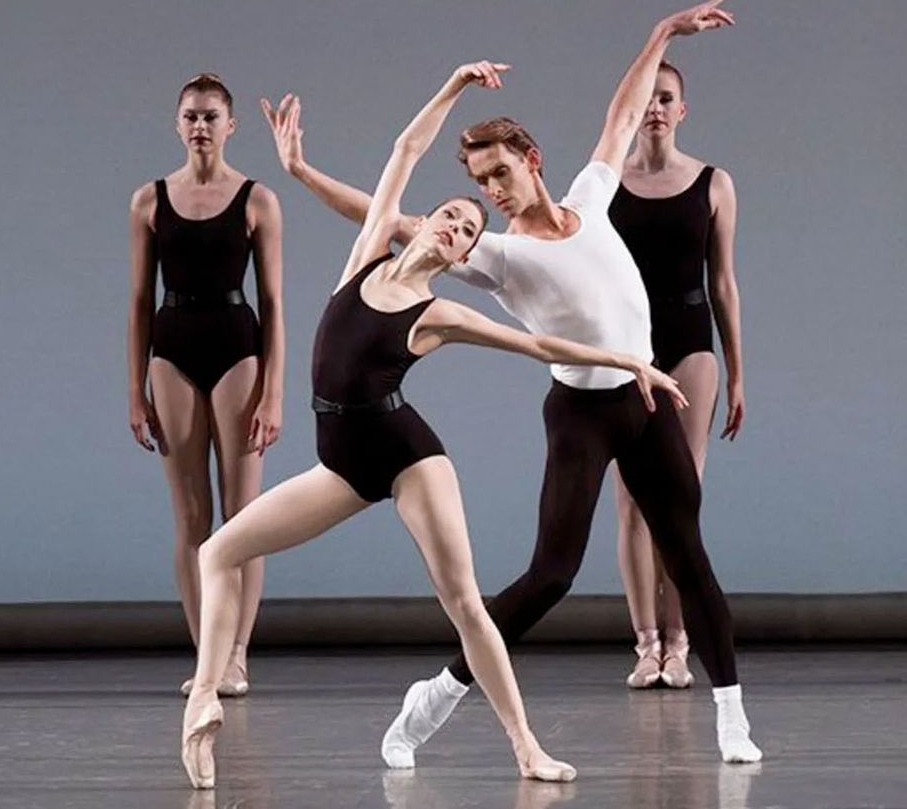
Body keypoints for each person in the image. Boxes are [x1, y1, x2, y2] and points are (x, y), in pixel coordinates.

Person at [264, 0, 762, 766]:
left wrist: (663, 30)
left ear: (531, 160)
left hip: (646, 394)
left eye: (499, 172)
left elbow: (621, 115)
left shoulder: (591, 198)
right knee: (551, 574)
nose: (491, 191)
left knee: (688, 553)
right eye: (479, 180)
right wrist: (301, 172)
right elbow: (384, 218)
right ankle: (439, 691)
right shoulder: (493, 254)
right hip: (581, 412)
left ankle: (732, 715)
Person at [181, 59, 687, 790]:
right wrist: (452, 86)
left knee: (466, 604)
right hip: (341, 465)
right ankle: (203, 703)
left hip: (410, 458)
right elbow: (406, 149)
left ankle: (527, 748)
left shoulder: (438, 311)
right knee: (218, 552)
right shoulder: (366, 257)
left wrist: (627, 359)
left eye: (468, 232)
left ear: (460, 256)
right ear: (424, 222)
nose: (456, 226)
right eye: (451, 214)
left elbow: (539, 345)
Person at [127, 74, 285, 696]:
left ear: (230, 125)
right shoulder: (149, 201)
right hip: (172, 350)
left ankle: (238, 653)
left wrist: (273, 391)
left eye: (210, 116)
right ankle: (206, 657)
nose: (200, 126)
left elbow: (273, 304)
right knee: (190, 516)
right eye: (190, 116)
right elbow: (138, 301)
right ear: (177, 124)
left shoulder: (256, 200)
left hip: (237, 347)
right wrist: (134, 389)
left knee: (242, 517)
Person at [609, 59, 745, 690]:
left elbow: (724, 284)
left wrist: (737, 374)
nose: (655, 108)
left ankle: (680, 641)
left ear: (682, 110)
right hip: (628, 350)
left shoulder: (714, 184)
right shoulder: (608, 183)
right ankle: (646, 644)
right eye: (647, 99)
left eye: (666, 98)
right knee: (632, 503)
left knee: (681, 500)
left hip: (691, 346)